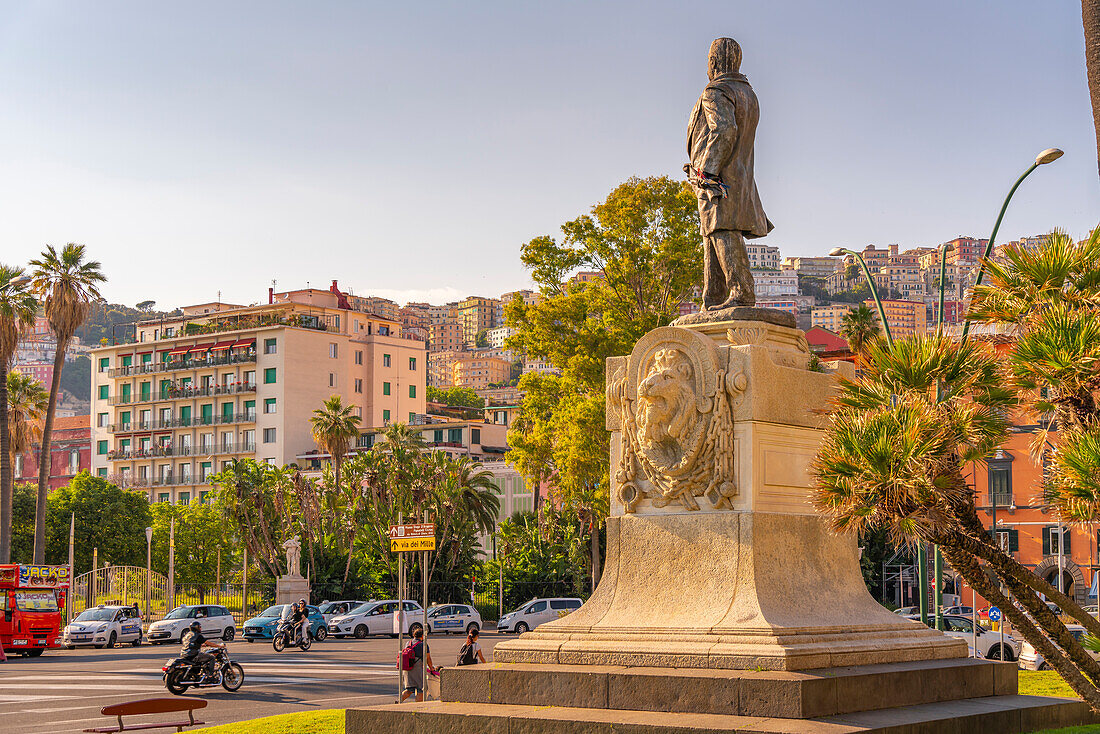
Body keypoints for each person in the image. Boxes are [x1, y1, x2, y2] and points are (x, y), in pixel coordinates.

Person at [399, 627, 435, 703]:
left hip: (407, 668)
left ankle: (398, 701)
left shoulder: (408, 643)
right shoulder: (423, 645)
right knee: (421, 689)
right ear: (422, 636)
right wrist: (431, 668)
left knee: (409, 689)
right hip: (417, 669)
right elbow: (428, 658)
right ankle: (417, 706)